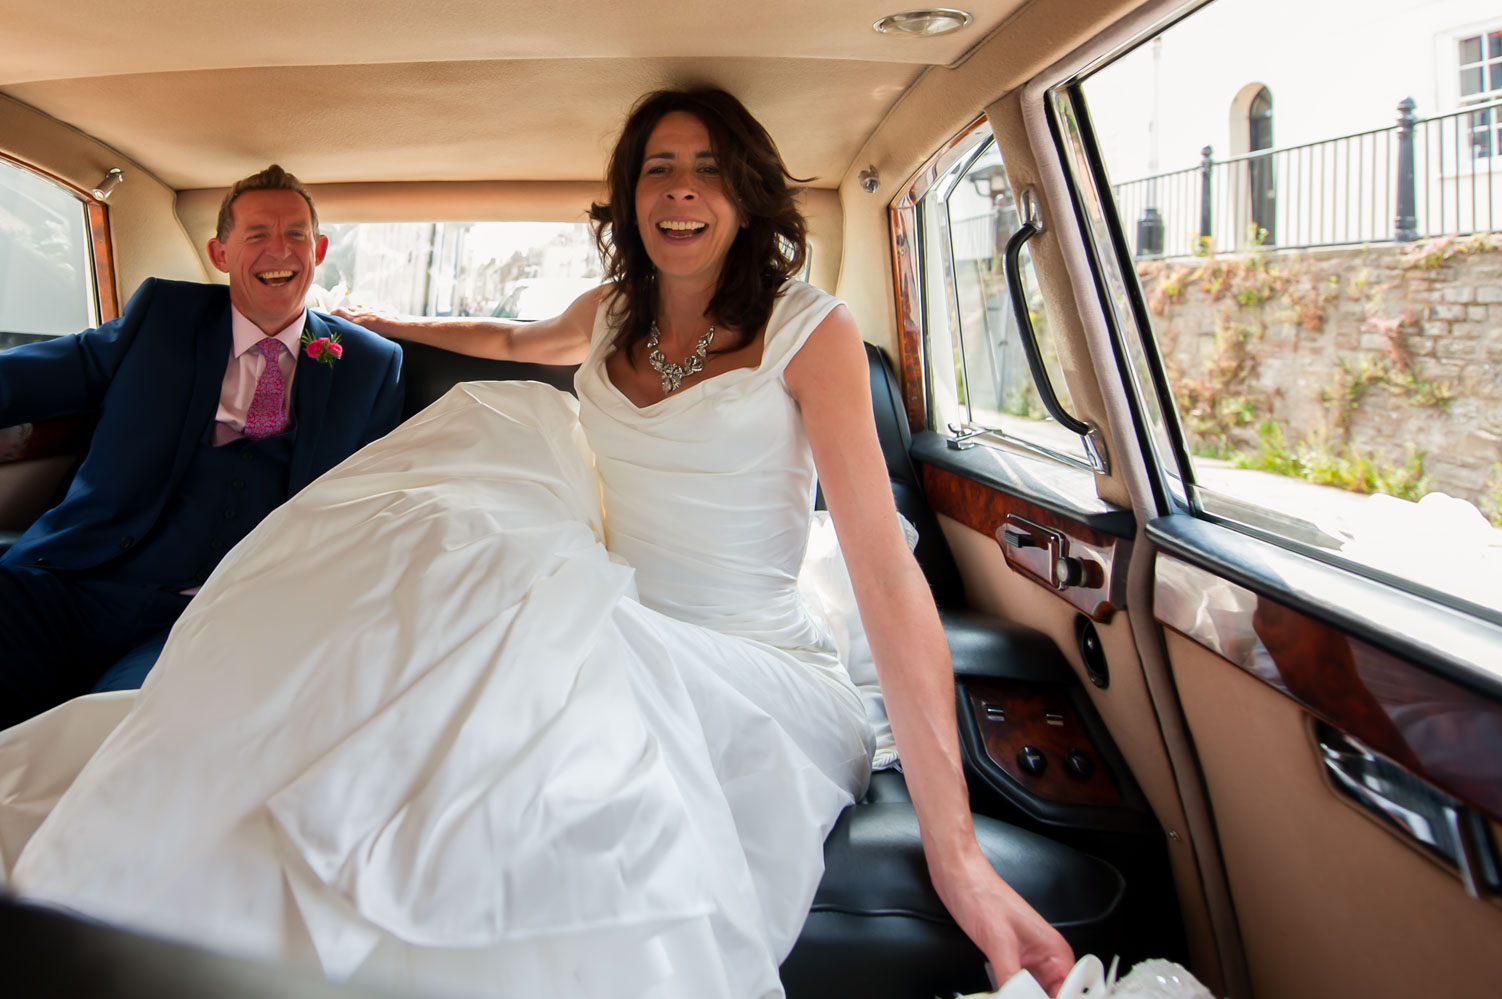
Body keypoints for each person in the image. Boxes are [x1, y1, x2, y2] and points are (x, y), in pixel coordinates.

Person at [5, 92, 1071, 997]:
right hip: (600, 603)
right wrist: (367, 315)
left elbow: (885, 576)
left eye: (705, 167)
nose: (679, 188)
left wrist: (960, 852)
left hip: (742, 663)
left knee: (528, 748)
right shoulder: (613, 311)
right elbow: (513, 344)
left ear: (745, 192)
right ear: (631, 192)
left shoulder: (812, 331)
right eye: (656, 167)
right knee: (420, 633)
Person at [0, 165, 404, 728]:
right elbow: (34, 377)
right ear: (219, 252)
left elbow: (369, 498)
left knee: (122, 729)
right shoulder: (163, 317)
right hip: (78, 582)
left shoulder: (370, 364)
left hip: (214, 614)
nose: (278, 250)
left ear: (320, 249)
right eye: (257, 234)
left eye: (295, 234)